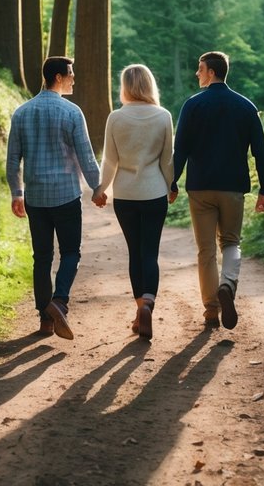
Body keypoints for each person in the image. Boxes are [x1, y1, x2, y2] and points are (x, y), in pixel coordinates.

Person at [171, 50, 264, 331]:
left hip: (201, 187)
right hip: (232, 188)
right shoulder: (245, 106)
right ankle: (227, 284)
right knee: (231, 243)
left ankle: (211, 310)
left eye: (200, 69)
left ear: (211, 72)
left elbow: (182, 149)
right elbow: (260, 152)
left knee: (205, 251)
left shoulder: (192, 106)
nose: (197, 73)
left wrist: (172, 182)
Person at [6, 55, 102, 340]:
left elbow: (13, 161)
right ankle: (59, 302)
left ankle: (45, 321)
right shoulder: (72, 112)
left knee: (42, 257)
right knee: (71, 251)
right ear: (58, 77)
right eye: (70, 74)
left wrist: (17, 192)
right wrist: (98, 188)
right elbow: (86, 157)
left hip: (36, 197)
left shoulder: (22, 113)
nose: (74, 78)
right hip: (66, 196)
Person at [93, 63, 173, 340]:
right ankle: (149, 303)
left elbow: (109, 160)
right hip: (154, 193)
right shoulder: (164, 116)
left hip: (125, 195)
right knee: (150, 252)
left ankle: (140, 309)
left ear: (124, 86)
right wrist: (171, 186)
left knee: (134, 252)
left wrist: (99, 189)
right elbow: (167, 160)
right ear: (150, 84)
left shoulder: (116, 118)